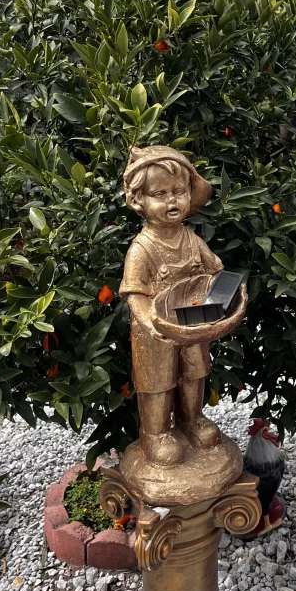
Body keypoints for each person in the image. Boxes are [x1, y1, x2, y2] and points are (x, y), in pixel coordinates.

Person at [120, 145, 225, 464]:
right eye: (160, 193)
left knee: (194, 373)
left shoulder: (192, 240)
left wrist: (221, 302)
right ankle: (156, 434)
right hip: (155, 333)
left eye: (179, 191)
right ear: (139, 199)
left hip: (193, 323)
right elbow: (135, 294)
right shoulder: (142, 248)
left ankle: (191, 420)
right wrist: (150, 323)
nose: (172, 200)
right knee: (158, 381)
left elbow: (217, 272)